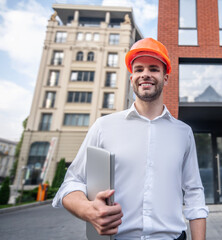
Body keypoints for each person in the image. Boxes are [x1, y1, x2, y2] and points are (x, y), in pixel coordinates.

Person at [52, 38, 209, 240]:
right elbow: (72, 182)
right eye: (139, 69)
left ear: (166, 78)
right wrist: (87, 210)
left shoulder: (184, 133)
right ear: (131, 77)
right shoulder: (103, 126)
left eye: (153, 68)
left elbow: (194, 192)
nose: (145, 74)